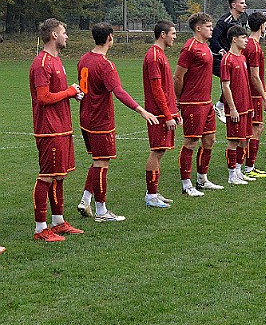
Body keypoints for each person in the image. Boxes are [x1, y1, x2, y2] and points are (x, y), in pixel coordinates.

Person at [77, 22, 158, 221]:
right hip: (100, 121)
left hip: (85, 118)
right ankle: (102, 211)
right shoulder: (105, 65)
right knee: (102, 163)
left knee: (97, 161)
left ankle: (86, 199)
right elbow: (119, 92)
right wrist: (141, 110)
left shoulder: (84, 59)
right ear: (110, 37)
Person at [29, 18, 84, 242]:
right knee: (47, 177)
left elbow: (56, 93)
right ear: (54, 35)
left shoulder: (56, 61)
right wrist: (69, 92)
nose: (67, 36)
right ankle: (40, 228)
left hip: (61, 127)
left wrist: (73, 92)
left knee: (59, 177)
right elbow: (43, 98)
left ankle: (58, 222)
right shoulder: (42, 63)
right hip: (49, 129)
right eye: (64, 32)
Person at [174, 13, 224, 196]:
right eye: (209, 26)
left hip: (206, 102)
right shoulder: (189, 48)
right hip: (192, 102)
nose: (212, 29)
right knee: (191, 142)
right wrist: (178, 100)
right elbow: (178, 76)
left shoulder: (205, 47)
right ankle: (186, 184)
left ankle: (202, 179)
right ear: (198, 28)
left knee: (209, 140)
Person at [143, 21, 182, 207]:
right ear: (163, 34)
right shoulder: (153, 56)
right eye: (173, 33)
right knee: (157, 151)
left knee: (161, 151)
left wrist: (175, 111)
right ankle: (150, 196)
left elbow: (167, 88)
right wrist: (167, 115)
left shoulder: (161, 55)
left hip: (165, 112)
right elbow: (157, 89)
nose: (175, 37)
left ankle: (154, 193)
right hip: (157, 114)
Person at [221, 25, 254, 185]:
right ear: (234, 39)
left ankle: (239, 171)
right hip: (235, 108)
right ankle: (231, 174)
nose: (246, 40)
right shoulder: (227, 59)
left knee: (245, 139)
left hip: (246, 106)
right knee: (233, 140)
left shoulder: (242, 58)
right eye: (243, 37)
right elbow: (225, 86)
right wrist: (232, 108)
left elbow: (245, 83)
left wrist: (251, 106)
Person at [209, 0, 247, 123]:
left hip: (230, 58)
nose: (244, 5)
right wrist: (220, 50)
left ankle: (221, 106)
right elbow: (213, 38)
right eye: (241, 3)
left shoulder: (238, 22)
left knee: (237, 79)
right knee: (232, 80)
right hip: (217, 58)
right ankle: (220, 107)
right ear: (233, 5)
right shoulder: (224, 21)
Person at [242, 11, 266, 178]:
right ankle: (247, 167)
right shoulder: (253, 46)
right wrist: (264, 98)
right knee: (255, 128)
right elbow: (254, 76)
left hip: (250, 93)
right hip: (253, 95)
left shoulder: (249, 44)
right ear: (262, 26)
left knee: (254, 128)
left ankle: (246, 166)